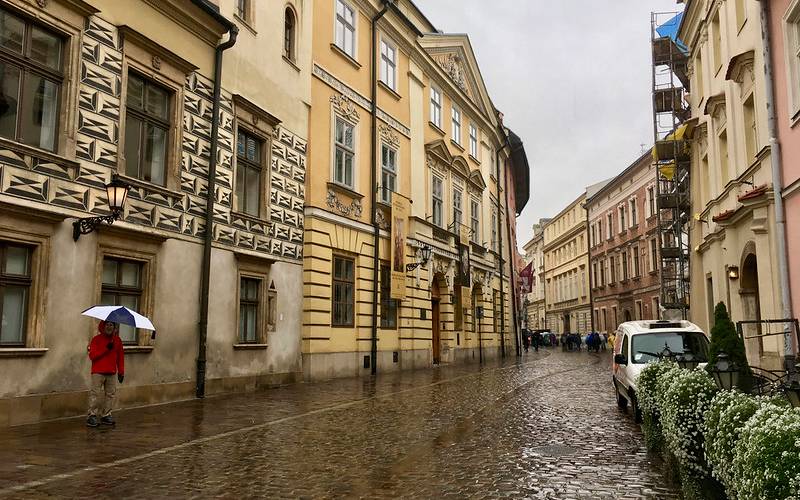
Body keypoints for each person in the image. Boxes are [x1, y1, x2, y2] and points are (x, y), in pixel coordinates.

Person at [86, 321, 125, 427]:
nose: (109, 327)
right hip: (98, 371)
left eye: (111, 325)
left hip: (111, 372)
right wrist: (106, 348)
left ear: (114, 327)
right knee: (95, 394)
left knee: (110, 394)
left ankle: (106, 415)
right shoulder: (96, 339)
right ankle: (91, 416)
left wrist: (121, 371)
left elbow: (120, 357)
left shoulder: (117, 340)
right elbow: (92, 356)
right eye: (107, 324)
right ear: (103, 326)